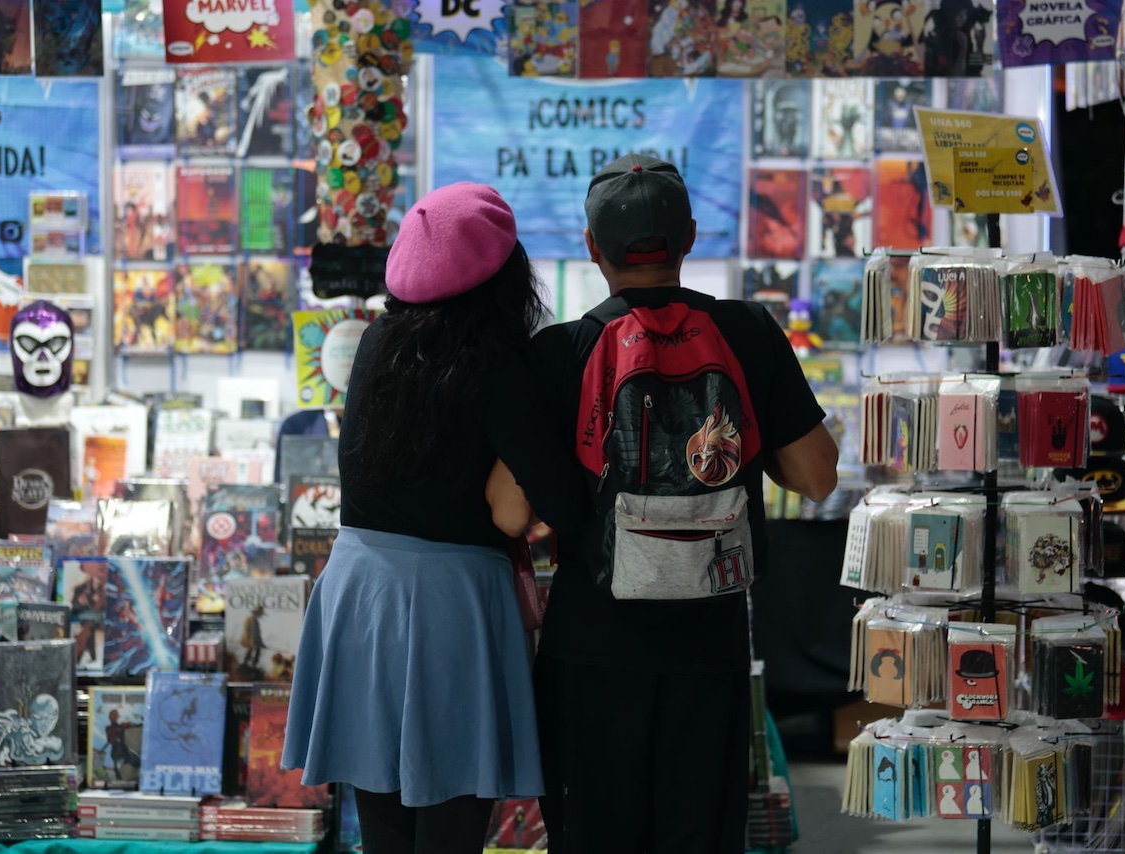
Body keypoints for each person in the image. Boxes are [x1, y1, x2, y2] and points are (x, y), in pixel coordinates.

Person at [529, 154, 839, 853]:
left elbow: (515, 510)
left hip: (591, 646)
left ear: (591, 246)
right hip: (711, 642)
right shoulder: (749, 332)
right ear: (690, 238)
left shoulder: (561, 351)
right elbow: (817, 477)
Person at [282, 182, 583, 854]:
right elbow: (562, 502)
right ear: (506, 273)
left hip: (357, 592)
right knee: (449, 831)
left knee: (383, 831)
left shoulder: (376, 342)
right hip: (452, 603)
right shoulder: (497, 361)